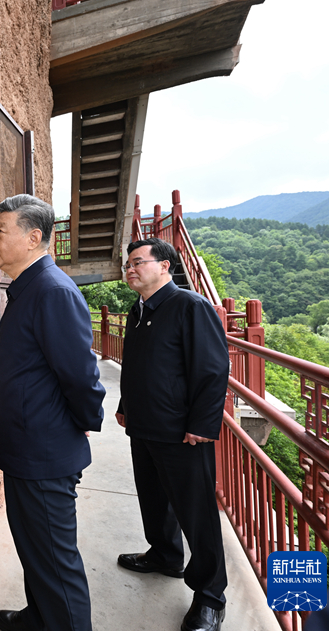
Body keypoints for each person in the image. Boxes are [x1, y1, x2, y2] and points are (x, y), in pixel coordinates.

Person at [0, 194, 105, 631]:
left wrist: (83, 422)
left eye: (1, 231)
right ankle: (39, 617)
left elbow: (80, 375)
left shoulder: (52, 291)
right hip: (27, 447)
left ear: (33, 237)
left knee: (56, 560)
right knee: (34, 548)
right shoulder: (28, 287)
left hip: (44, 451)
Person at [115, 237, 230, 631]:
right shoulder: (138, 310)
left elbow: (213, 369)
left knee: (197, 515)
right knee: (153, 499)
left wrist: (202, 424)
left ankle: (210, 597)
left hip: (182, 431)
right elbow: (137, 365)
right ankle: (165, 555)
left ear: (165, 266)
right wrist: (125, 405)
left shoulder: (189, 306)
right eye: (127, 264)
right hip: (144, 426)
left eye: (138, 262)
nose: (130, 269)